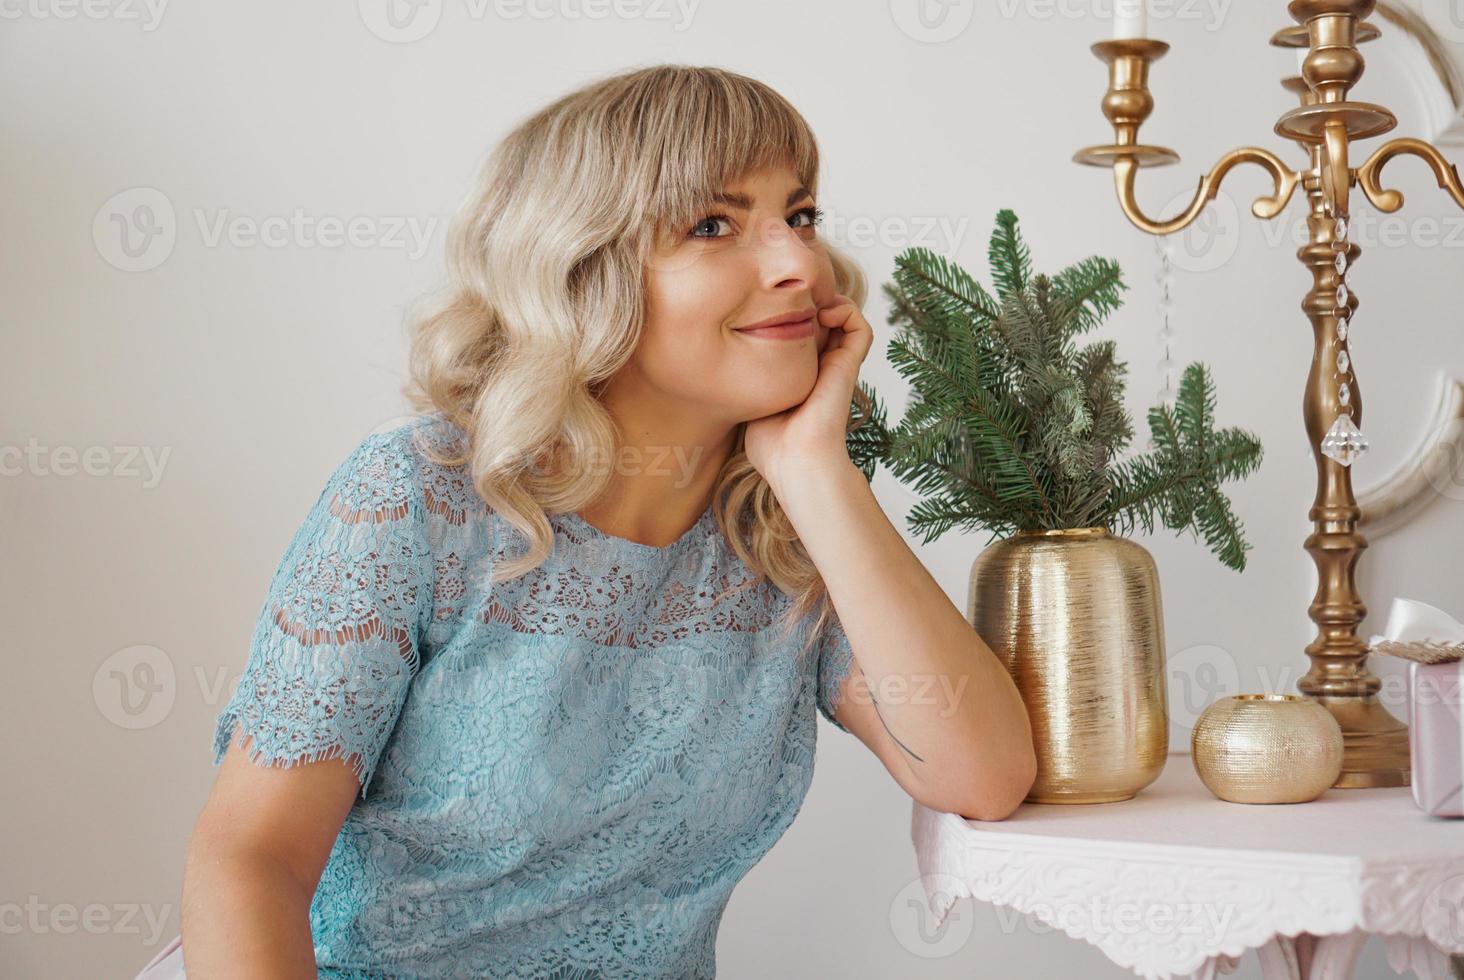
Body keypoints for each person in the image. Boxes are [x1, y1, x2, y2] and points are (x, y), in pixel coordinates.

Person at [144, 64, 1036, 979]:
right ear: (584, 272)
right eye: (713, 225)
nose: (800, 265)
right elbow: (251, 861)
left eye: (799, 216)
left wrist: (816, 471)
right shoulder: (420, 499)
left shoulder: (784, 529)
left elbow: (981, 777)